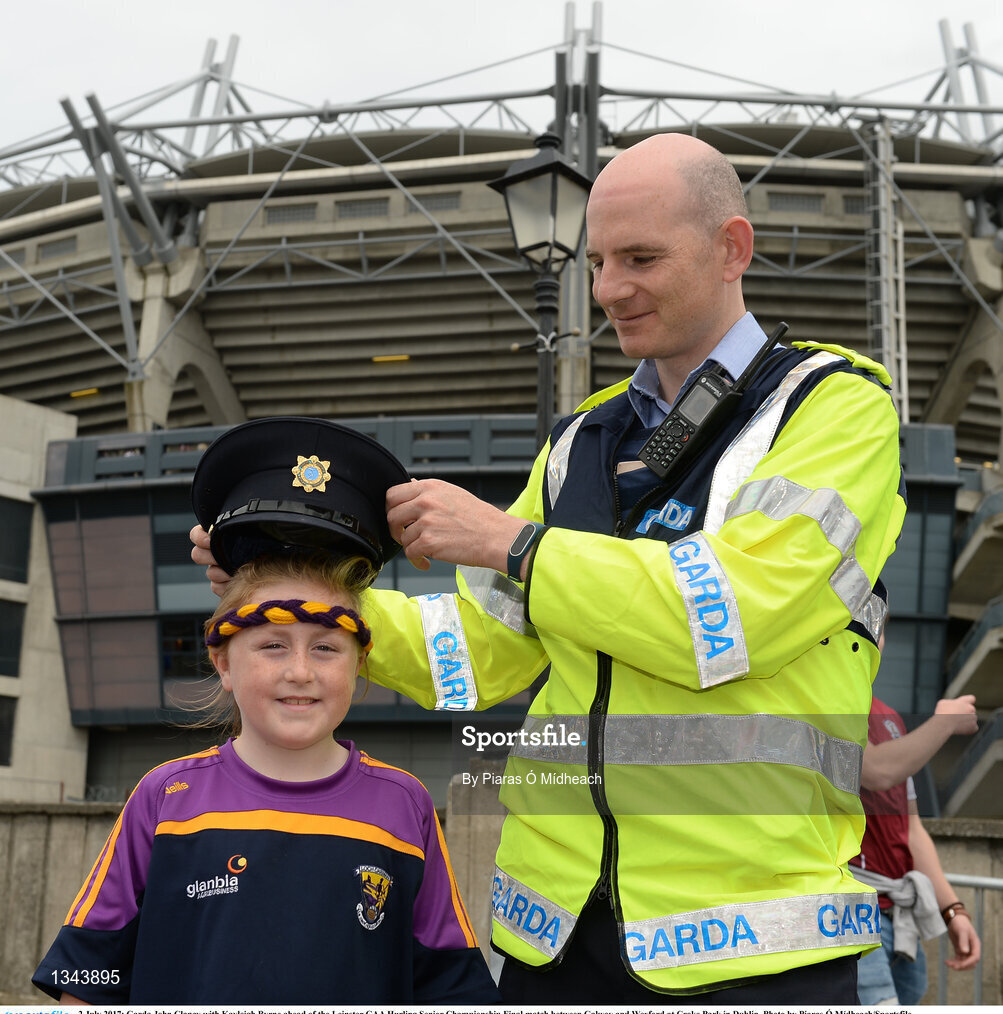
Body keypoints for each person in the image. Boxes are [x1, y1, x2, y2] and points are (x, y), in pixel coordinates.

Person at [193, 132, 907, 1002]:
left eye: (641, 257)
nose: (607, 289)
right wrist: (291, 593)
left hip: (752, 946)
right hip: (552, 941)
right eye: (599, 260)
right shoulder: (580, 443)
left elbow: (728, 618)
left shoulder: (835, 410)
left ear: (732, 248)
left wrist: (510, 542)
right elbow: (478, 650)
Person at [35, 423, 499, 1006]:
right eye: (272, 645)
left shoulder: (405, 805)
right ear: (224, 663)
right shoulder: (164, 797)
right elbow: (88, 973)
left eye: (326, 647)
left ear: (360, 665)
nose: (300, 671)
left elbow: (449, 986)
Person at [854, 693, 982, 1005]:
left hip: (898, 915)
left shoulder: (890, 717)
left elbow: (910, 828)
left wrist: (953, 910)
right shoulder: (824, 699)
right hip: (850, 911)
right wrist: (944, 722)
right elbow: (877, 771)